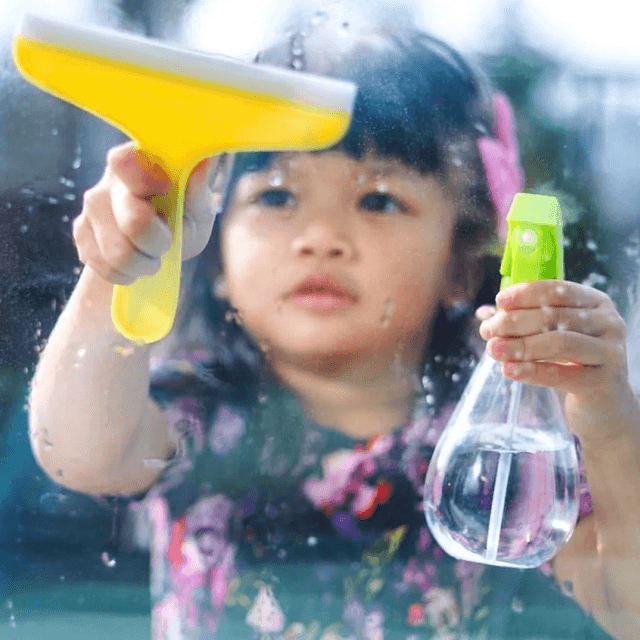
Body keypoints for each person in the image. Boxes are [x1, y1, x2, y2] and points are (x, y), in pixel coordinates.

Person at [28, 12, 640, 640]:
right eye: (277, 196)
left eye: (378, 200)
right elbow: (79, 454)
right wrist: (118, 271)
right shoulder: (205, 411)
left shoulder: (498, 444)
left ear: (460, 263)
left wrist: (608, 416)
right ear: (214, 261)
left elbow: (628, 605)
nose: (321, 238)